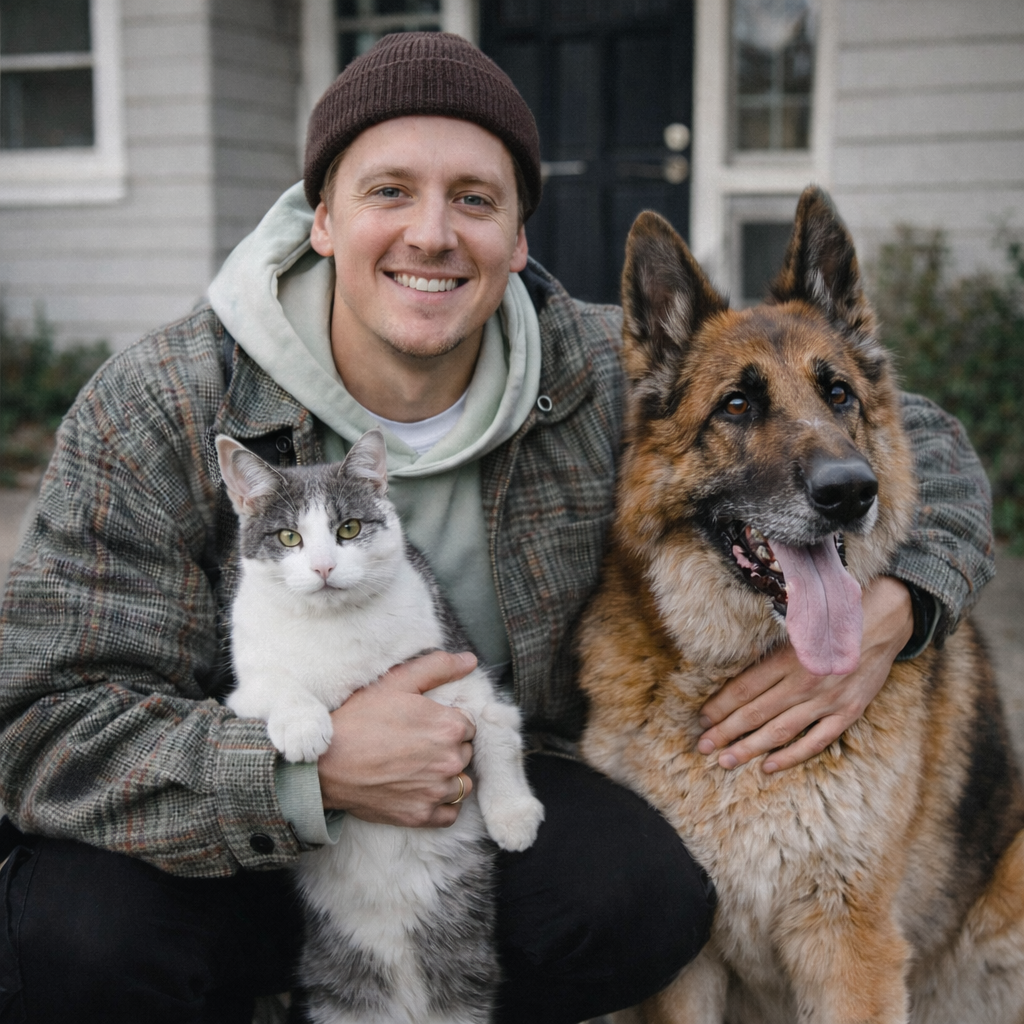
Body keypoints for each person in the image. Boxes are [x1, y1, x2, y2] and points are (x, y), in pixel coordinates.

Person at [0, 32, 994, 1024]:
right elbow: (39, 722)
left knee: (641, 895)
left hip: (462, 821)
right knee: (79, 933)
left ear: (518, 238)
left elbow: (920, 445)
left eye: (473, 199)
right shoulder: (161, 406)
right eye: (389, 190)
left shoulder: (604, 369)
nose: (432, 235)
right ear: (322, 221)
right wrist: (307, 773)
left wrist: (897, 607)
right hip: (219, 844)